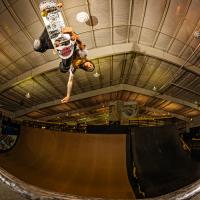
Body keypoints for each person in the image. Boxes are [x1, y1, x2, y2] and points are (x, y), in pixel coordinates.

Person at [33, 27, 95, 103]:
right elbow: (80, 43)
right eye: (90, 65)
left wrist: (68, 95)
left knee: (38, 48)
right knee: (65, 68)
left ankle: (48, 28)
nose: (88, 66)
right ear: (90, 62)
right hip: (69, 41)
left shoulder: (74, 67)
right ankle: (61, 39)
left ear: (85, 69)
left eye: (88, 68)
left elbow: (70, 81)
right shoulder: (84, 55)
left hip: (60, 45)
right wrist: (72, 33)